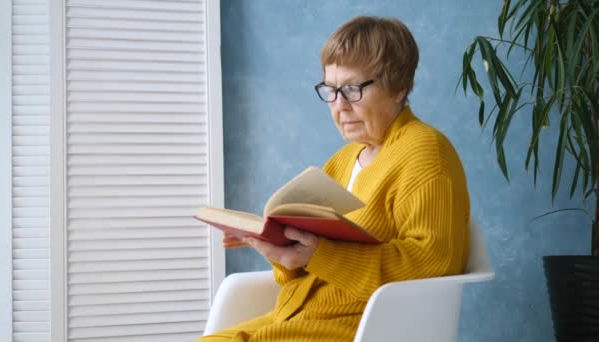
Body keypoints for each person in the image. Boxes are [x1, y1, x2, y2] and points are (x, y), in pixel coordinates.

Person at [199, 15, 470, 342]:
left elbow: (433, 264)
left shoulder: (427, 152)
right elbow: (302, 274)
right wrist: (281, 252)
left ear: (399, 86)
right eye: (331, 90)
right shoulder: (340, 163)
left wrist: (319, 255)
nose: (339, 106)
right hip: (296, 316)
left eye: (353, 89)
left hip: (363, 327)